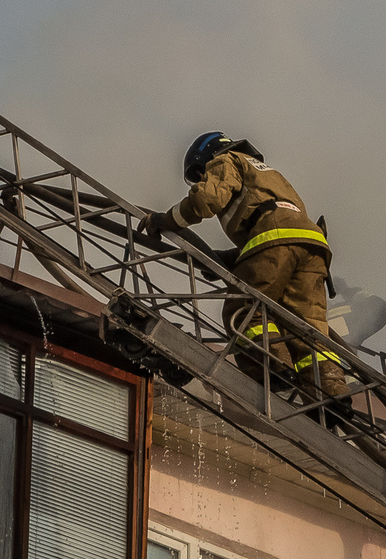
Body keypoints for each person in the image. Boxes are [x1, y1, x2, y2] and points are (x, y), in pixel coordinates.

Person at [143, 132, 345, 400]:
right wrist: (223, 259)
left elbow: (207, 201)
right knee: (307, 327)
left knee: (245, 308)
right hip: (312, 246)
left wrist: (165, 220)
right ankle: (333, 397)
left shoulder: (225, 160)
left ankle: (274, 368)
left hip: (275, 239)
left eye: (200, 176)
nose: (203, 180)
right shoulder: (270, 175)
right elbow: (271, 225)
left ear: (205, 159)